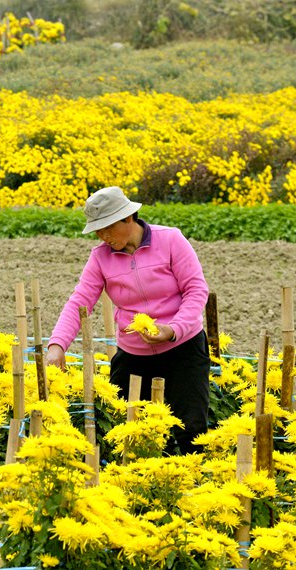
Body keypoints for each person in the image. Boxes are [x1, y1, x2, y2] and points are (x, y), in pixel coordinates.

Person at [45, 186, 210, 454]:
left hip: (184, 349)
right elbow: (79, 302)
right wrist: (57, 345)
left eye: (107, 228)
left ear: (128, 218)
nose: (103, 236)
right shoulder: (100, 258)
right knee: (128, 431)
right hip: (134, 356)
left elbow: (196, 290)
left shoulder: (171, 240)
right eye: (98, 231)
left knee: (190, 430)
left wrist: (172, 329)